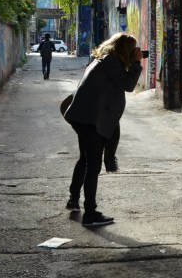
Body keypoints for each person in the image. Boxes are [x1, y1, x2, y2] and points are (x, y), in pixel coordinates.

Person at [63, 33, 143, 227]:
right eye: (133, 50)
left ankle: (74, 199)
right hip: (90, 120)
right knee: (93, 166)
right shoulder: (112, 64)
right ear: (126, 50)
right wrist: (136, 64)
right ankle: (90, 214)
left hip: (83, 117)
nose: (136, 53)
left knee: (85, 160)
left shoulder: (103, 60)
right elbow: (128, 85)